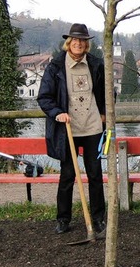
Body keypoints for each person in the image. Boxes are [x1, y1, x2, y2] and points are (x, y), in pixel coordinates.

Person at [37, 23, 107, 237]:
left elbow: (106, 92)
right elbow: (44, 97)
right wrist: (57, 112)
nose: (78, 43)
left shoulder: (96, 64)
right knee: (67, 175)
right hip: (68, 129)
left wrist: (104, 113)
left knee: (95, 174)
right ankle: (63, 219)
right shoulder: (56, 66)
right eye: (74, 40)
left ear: (86, 44)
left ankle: (98, 218)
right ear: (68, 43)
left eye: (82, 40)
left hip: (93, 127)